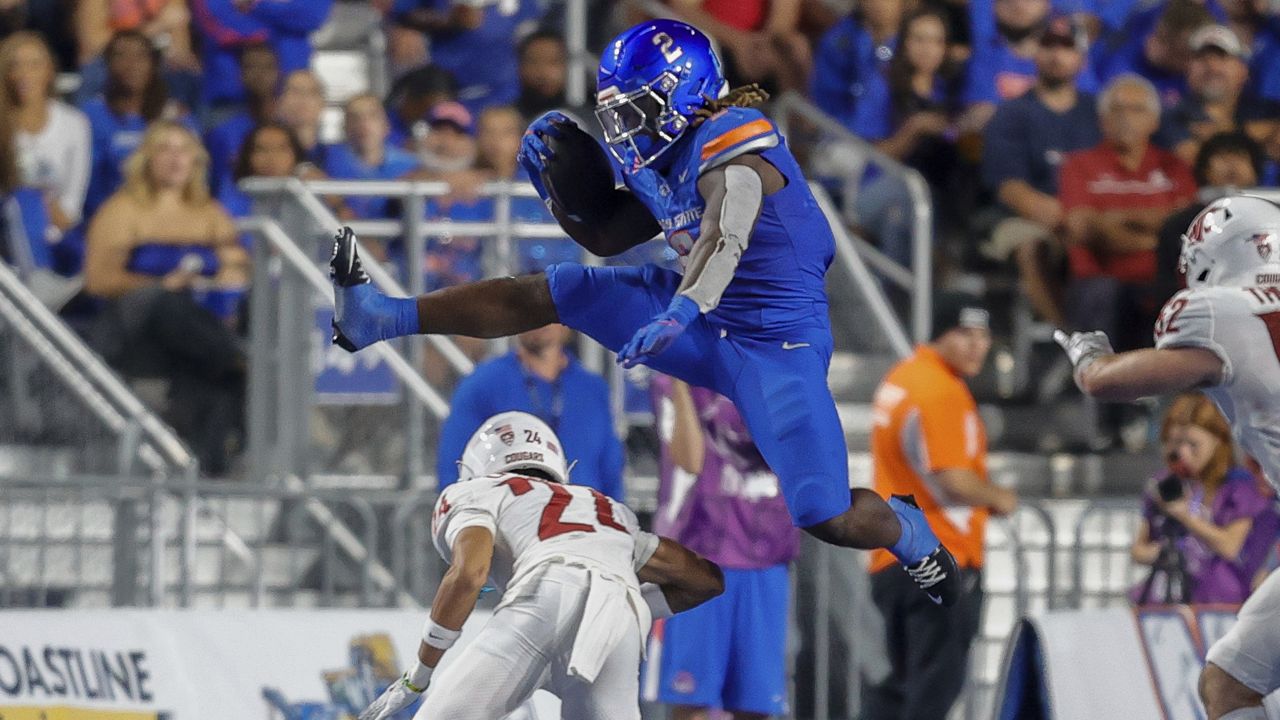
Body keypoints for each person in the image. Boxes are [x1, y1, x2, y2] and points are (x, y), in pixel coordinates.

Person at [329, 20, 966, 607]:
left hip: (775, 345)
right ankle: (380, 317)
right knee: (557, 291)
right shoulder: (662, 154)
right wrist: (566, 201)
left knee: (826, 514)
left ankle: (906, 530)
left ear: (683, 94)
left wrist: (683, 309)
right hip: (697, 316)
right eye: (617, 114)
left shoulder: (736, 142)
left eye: (636, 109)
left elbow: (725, 233)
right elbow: (608, 237)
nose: (626, 128)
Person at [1053, 193, 1280, 720]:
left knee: (1230, 685)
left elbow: (1107, 383)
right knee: (1228, 682)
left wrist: (1088, 355)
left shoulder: (1225, 310)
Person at [356, 411, 725, 720]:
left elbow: (470, 574)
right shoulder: (605, 508)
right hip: (618, 620)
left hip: (543, 596)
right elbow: (706, 580)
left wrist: (418, 676)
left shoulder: (477, 491)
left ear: (477, 466)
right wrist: (629, 606)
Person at [862, 293, 1018, 720]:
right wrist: (999, 497)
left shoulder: (903, 379)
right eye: (964, 333)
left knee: (901, 685)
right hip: (938, 554)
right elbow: (952, 479)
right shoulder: (940, 391)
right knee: (933, 690)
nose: (977, 346)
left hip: (893, 556)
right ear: (939, 334)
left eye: (984, 335)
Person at [83, 120, 247, 474]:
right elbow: (98, 279)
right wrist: (160, 284)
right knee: (169, 304)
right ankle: (236, 355)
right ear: (147, 159)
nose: (175, 159)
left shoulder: (211, 214)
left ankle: (209, 470)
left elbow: (238, 265)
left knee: (216, 379)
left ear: (195, 161)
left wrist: (220, 270)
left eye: (183, 150)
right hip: (135, 322)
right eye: (165, 149)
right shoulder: (122, 210)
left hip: (192, 330)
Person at [646, 376, 799, 720]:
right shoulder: (673, 373)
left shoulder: (781, 368)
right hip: (699, 553)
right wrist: (681, 381)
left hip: (767, 553)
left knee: (756, 705)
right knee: (692, 702)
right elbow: (690, 461)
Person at [1059, 73, 1196, 353]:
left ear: (1155, 121)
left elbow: (1185, 225)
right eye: (1117, 110)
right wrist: (1160, 229)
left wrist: (1116, 218)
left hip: (1164, 280)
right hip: (1101, 281)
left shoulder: (1175, 167)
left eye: (1137, 110)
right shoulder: (1078, 165)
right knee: (1104, 294)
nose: (1126, 118)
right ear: (1102, 120)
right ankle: (1104, 392)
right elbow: (1083, 228)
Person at [981, 12, 1101, 326]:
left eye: (1066, 46)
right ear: (1036, 52)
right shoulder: (1011, 113)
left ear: (1081, 57)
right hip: (1024, 217)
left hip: (1089, 216)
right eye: (1048, 45)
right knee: (1031, 247)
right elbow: (1010, 188)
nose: (1056, 55)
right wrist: (1065, 219)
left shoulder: (1098, 112)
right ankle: (1072, 340)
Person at [436, 324, 624, 501]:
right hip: (508, 525)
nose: (540, 321)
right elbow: (454, 468)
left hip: (583, 525)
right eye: (530, 310)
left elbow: (611, 473)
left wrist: (617, 527)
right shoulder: (482, 384)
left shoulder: (593, 388)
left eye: (548, 311)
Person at [1130, 392, 1280, 604]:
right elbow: (1138, 550)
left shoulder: (1239, 487)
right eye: (1174, 443)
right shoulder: (1165, 485)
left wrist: (1187, 517)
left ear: (1218, 442)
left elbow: (1230, 546)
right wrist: (1164, 554)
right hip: (1169, 601)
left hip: (1222, 604)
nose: (1182, 453)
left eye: (1193, 445)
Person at [848, 6, 963, 268]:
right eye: (919, 39)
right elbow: (873, 155)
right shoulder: (882, 83)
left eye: (936, 41)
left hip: (936, 190)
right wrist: (914, 129)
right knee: (905, 205)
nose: (927, 48)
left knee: (901, 218)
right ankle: (899, 299)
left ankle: (903, 301)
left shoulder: (949, 89)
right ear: (904, 42)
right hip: (881, 185)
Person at [81, 29, 192, 218]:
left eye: (140, 56)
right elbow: (88, 182)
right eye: (121, 56)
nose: (131, 65)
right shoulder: (91, 115)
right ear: (108, 65)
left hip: (167, 218)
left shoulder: (176, 116)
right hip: (109, 216)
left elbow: (193, 177)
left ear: (153, 64)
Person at [0, 32, 91, 248]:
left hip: (58, 238)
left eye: (34, 65)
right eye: (15, 66)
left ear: (50, 71)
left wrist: (43, 211)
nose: (24, 74)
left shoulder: (74, 123)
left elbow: (72, 206)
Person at [1153, 131, 1264, 306]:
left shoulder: (1269, 218)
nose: (1232, 165)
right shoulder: (1180, 223)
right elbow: (1167, 285)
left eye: (1240, 157)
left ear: (1255, 170)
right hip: (1195, 310)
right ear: (1205, 169)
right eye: (1222, 157)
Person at [389, 0, 542, 115]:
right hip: (446, 92)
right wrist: (447, 20)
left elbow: (536, 30)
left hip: (505, 95)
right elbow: (402, 14)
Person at [1155, 24, 1280, 165]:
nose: (1212, 67)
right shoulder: (1170, 117)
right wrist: (1262, 135)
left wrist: (1228, 131)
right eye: (1201, 58)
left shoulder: (1265, 110)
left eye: (1222, 57)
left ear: (1243, 70)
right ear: (1187, 69)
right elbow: (1195, 161)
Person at [188, 0, 332, 111]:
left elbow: (311, 16)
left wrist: (255, 5)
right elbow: (214, 20)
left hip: (290, 96)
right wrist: (281, 22)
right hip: (228, 99)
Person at [811, 0, 905, 133]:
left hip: (890, 143)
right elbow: (825, 96)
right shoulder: (839, 39)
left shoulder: (913, 45)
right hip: (836, 133)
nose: (879, 3)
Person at [323, 93, 420, 219]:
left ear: (386, 126)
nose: (363, 124)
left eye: (372, 116)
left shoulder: (411, 166)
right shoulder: (326, 162)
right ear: (345, 127)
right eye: (355, 117)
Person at [204, 42, 280, 196]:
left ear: (279, 73)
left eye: (267, 67)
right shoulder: (221, 132)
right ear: (240, 74)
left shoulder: (290, 127)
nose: (259, 74)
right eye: (251, 67)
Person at [275, 69, 330, 167]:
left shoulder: (335, 156)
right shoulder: (263, 152)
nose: (303, 98)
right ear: (279, 101)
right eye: (295, 91)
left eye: (312, 92)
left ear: (322, 104)